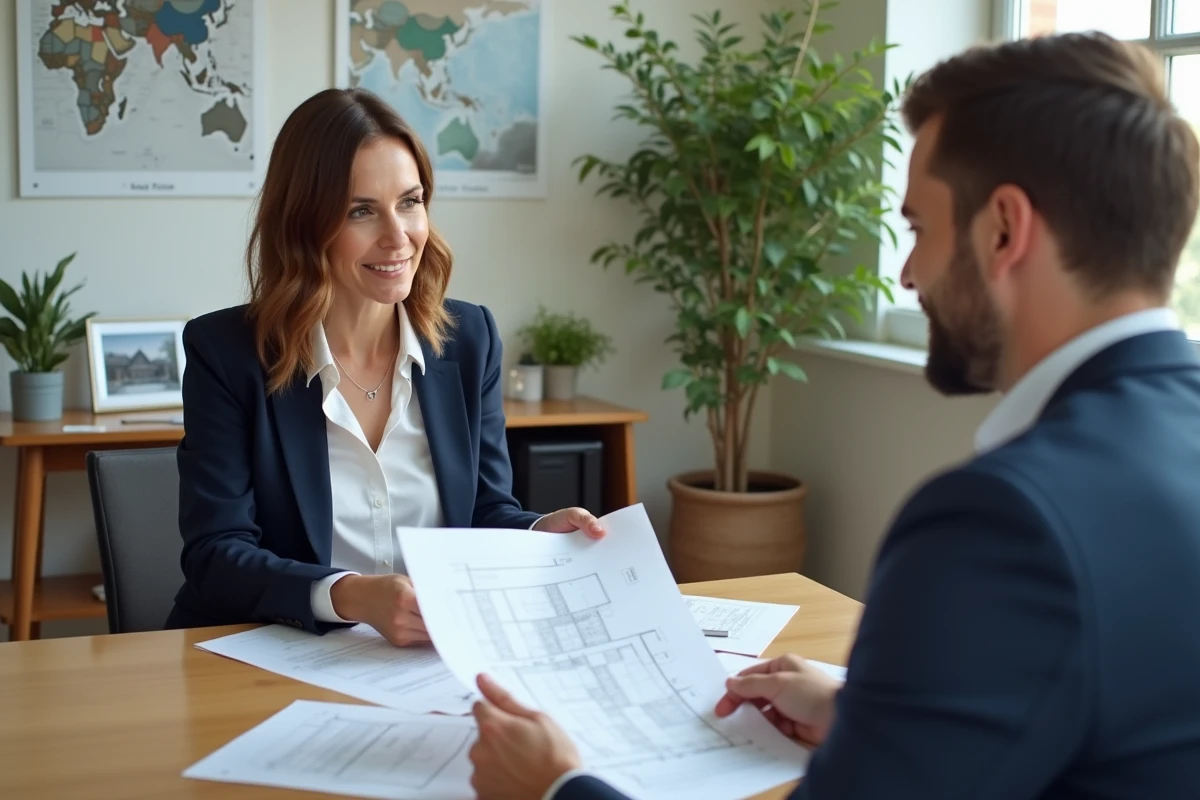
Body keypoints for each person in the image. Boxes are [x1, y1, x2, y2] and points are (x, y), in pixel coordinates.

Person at [466, 30, 1200, 799]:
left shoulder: (1004, 520)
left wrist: (557, 786)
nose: (909, 274)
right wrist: (873, 718)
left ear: (1005, 229)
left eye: (917, 229)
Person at [165, 88, 604, 643]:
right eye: (360, 211)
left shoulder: (470, 341)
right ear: (303, 224)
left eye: (410, 201)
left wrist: (542, 531)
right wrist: (350, 595)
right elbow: (216, 555)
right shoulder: (227, 352)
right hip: (267, 653)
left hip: (425, 661)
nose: (399, 237)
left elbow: (485, 511)